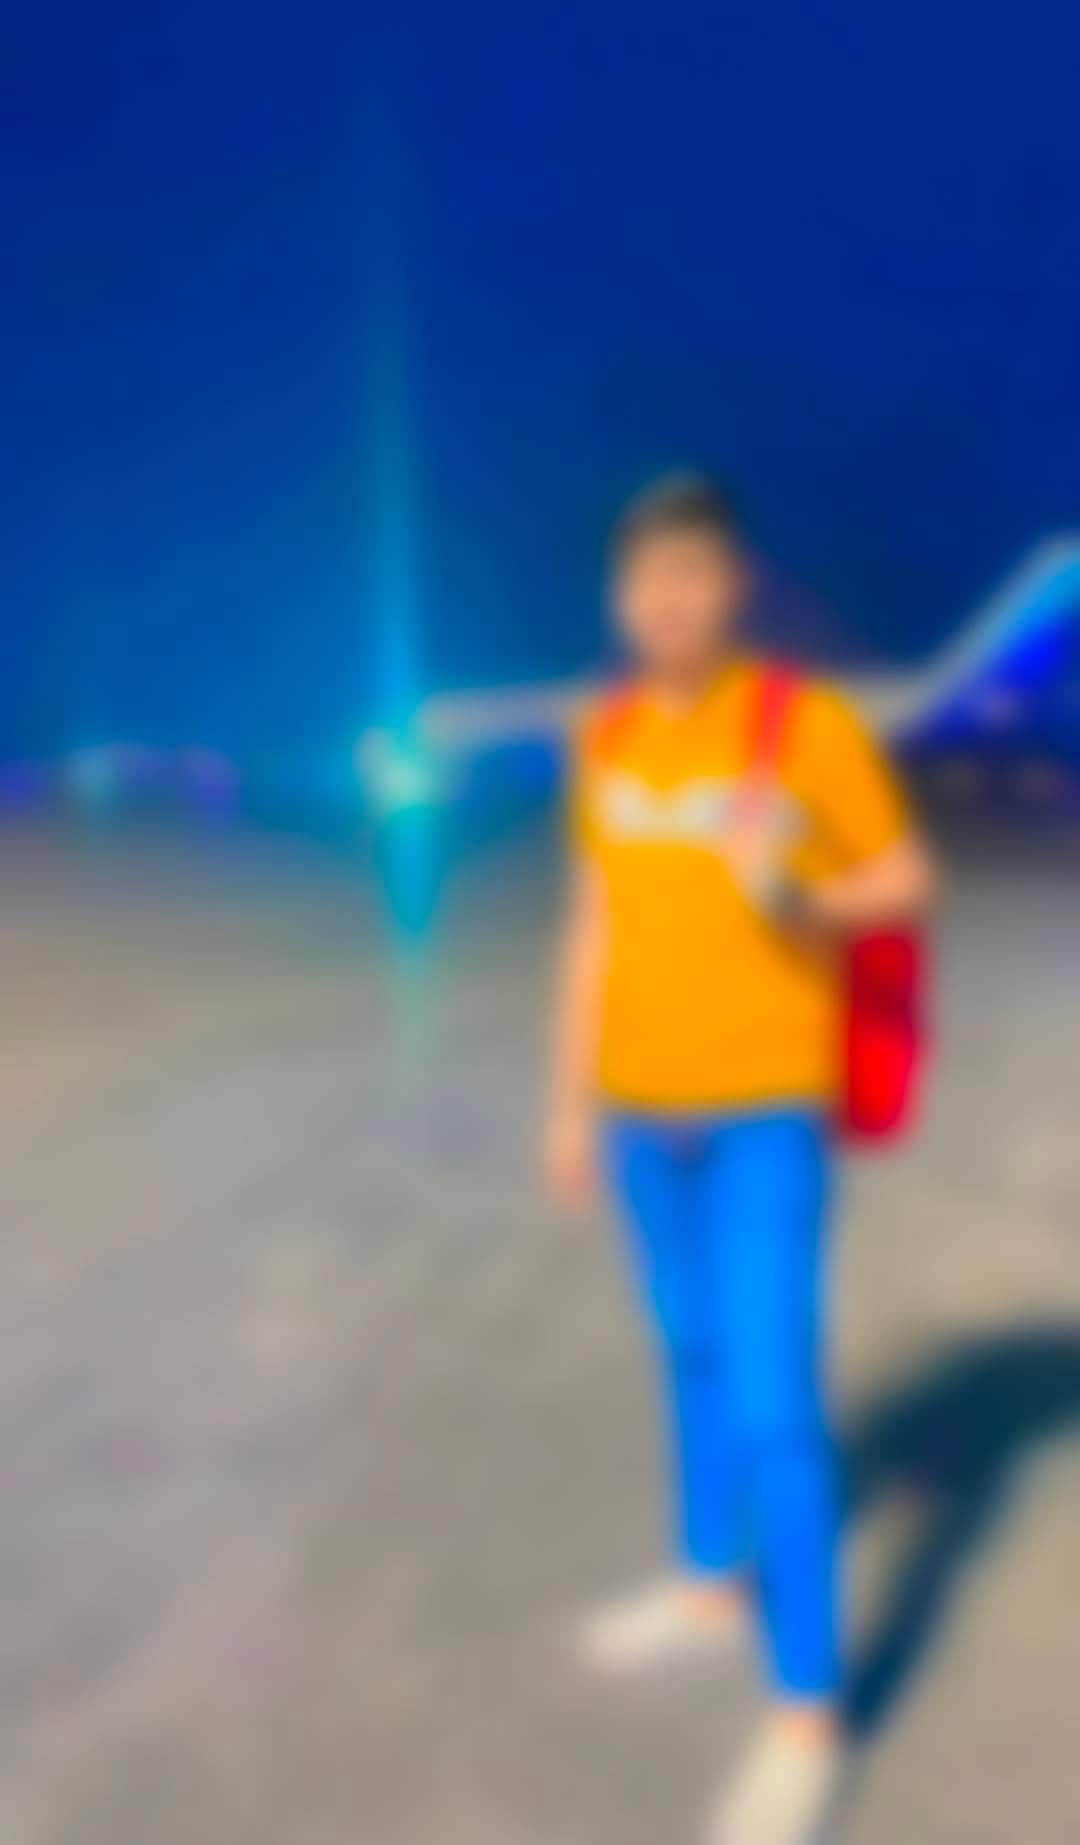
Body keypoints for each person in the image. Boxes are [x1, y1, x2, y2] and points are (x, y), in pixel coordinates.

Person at [542, 474, 936, 1845]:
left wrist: (800, 893)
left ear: (733, 586)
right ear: (620, 596)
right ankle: (710, 1584)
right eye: (645, 573)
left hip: (767, 1106)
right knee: (691, 1349)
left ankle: (807, 1716)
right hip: (638, 1111)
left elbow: (907, 879)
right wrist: (568, 1102)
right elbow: (594, 917)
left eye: (693, 570)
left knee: (773, 1395)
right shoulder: (604, 737)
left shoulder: (803, 722)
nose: (668, 595)